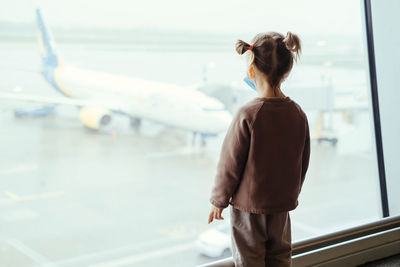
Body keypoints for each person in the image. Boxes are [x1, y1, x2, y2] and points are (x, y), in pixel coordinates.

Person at [207, 31, 310, 267]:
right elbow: (302, 160)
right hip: (281, 208)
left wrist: (218, 200)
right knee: (280, 259)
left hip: (248, 210)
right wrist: (291, 193)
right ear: (286, 71)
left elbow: (229, 164)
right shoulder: (297, 113)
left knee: (249, 261)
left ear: (251, 69)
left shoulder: (248, 114)